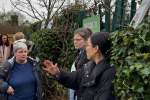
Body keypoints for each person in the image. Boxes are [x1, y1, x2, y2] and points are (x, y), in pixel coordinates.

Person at [43, 31, 116, 100]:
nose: (86, 49)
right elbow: (75, 78)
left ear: (96, 48)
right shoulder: (90, 66)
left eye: (87, 45)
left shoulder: (109, 74)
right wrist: (58, 73)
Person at [70, 28, 92, 100]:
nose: (75, 42)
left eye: (78, 40)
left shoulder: (89, 56)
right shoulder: (77, 54)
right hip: (74, 90)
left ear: (87, 40)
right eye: (74, 40)